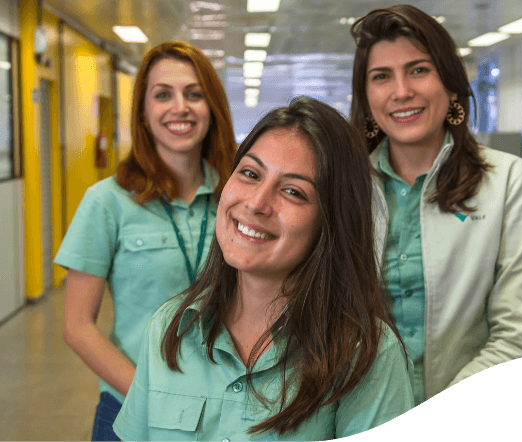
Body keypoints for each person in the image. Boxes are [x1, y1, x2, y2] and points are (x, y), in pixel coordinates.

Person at [112, 97, 415, 441]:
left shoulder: (363, 354)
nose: (256, 203)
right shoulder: (170, 328)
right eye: (250, 173)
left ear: (331, 221)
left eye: (292, 191)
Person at [349, 5, 522, 406]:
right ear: (366, 97)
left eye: (419, 70)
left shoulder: (508, 181)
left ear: (451, 84)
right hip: (361, 413)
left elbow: (516, 335)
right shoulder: (344, 186)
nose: (401, 91)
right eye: (381, 76)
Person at [54, 41, 236, 441]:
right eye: (162, 95)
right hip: (133, 407)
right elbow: (77, 326)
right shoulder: (107, 201)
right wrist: (151, 394)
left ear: (213, 107)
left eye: (194, 94)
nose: (180, 107)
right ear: (142, 112)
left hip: (224, 409)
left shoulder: (237, 198)